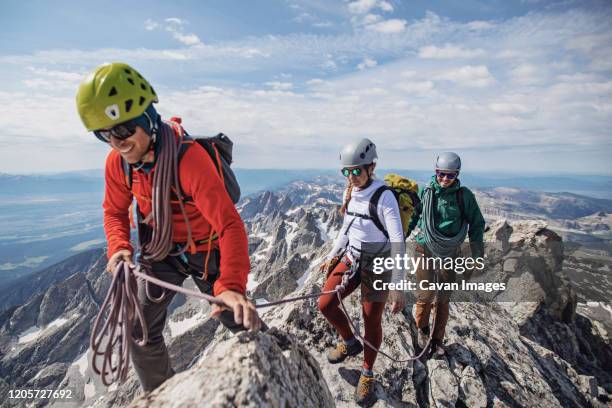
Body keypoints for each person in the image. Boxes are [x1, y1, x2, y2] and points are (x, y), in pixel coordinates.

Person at [76, 62, 261, 392]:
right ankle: (162, 395)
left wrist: (230, 284)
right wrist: (119, 246)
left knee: (234, 316)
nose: (116, 142)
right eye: (104, 134)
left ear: (147, 117)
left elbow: (230, 225)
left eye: (123, 130)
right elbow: (115, 212)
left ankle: (268, 364)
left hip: (207, 252)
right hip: (162, 253)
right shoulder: (119, 163)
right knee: (139, 332)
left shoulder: (188, 160)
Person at [318, 138, 406, 405]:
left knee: (371, 319)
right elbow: (347, 229)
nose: (352, 176)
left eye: (357, 170)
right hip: (353, 257)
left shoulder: (384, 196)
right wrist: (332, 256)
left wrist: (398, 284)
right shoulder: (351, 192)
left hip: (377, 262)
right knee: (325, 303)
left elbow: (397, 240)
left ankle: (367, 372)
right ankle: (350, 341)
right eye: (347, 171)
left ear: (371, 167)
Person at [407, 152, 485, 357]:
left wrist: (478, 255)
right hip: (424, 248)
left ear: (457, 175)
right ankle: (422, 332)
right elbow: (414, 216)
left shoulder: (464, 196)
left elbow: (476, 224)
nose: (444, 179)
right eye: (441, 174)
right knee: (426, 293)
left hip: (450, 254)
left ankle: (437, 340)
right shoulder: (425, 192)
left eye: (450, 176)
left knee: (443, 299)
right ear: (436, 172)